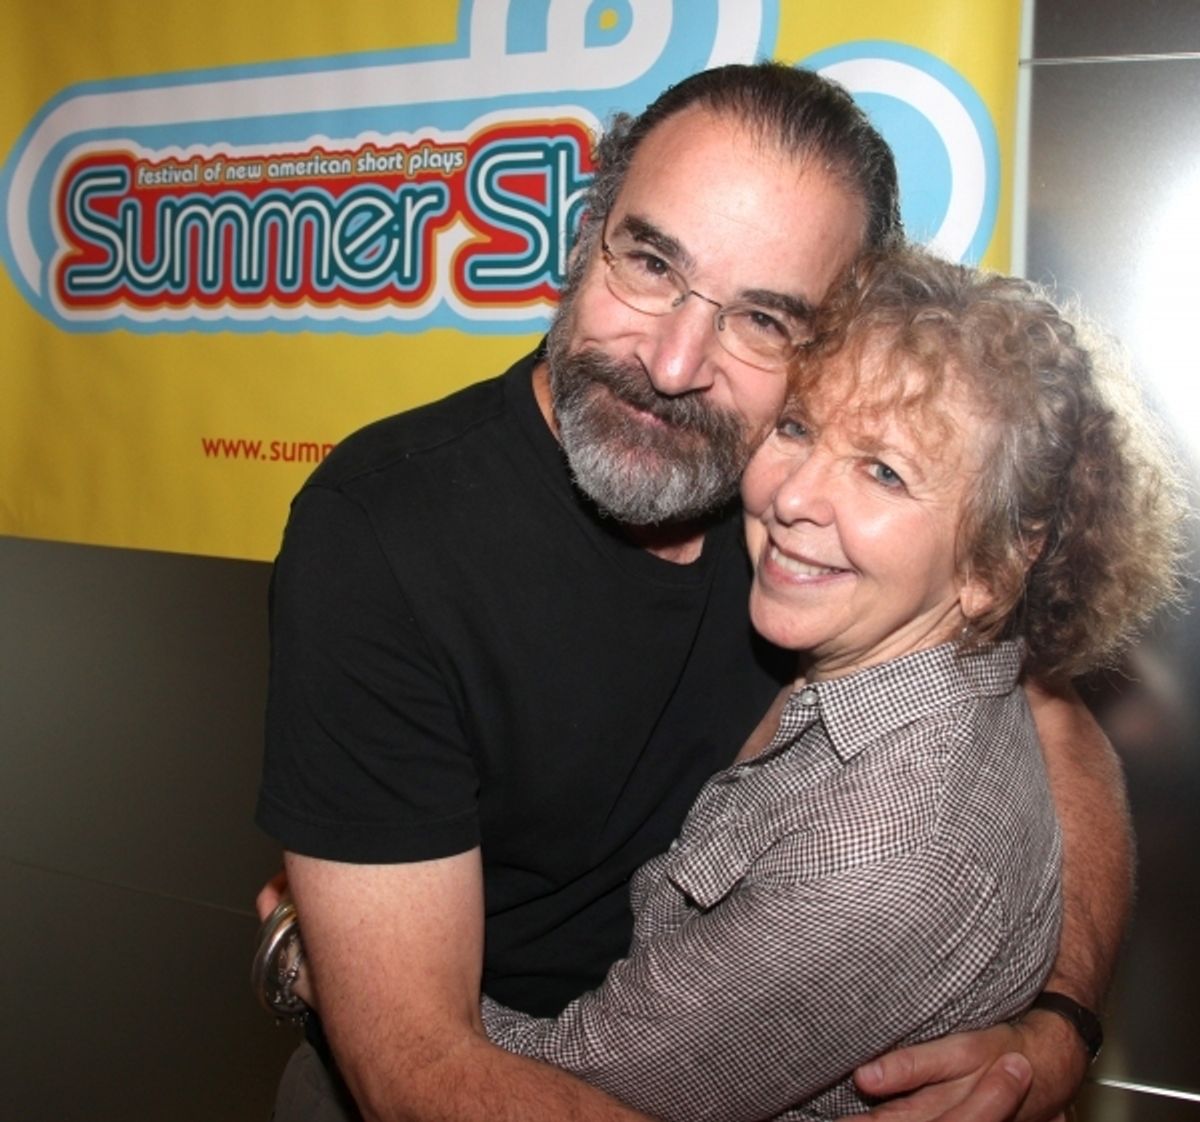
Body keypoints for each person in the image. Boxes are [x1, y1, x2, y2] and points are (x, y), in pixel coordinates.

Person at [256, 63, 1133, 1122]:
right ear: (589, 236)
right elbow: (419, 1074)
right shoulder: (388, 532)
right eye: (651, 262)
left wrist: (1058, 1020)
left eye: (764, 320)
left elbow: (1047, 717)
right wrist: (325, 971)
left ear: (836, 345)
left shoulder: (814, 516)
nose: (673, 362)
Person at [478, 244, 1186, 1119]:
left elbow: (577, 1082)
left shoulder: (881, 852)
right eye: (799, 427)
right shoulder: (895, 643)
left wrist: (355, 941)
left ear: (997, 563)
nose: (794, 496)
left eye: (884, 470)